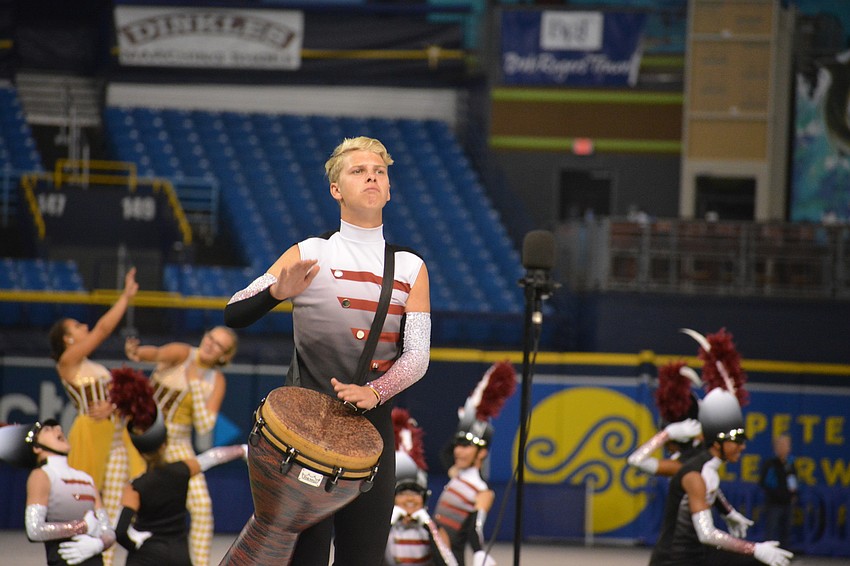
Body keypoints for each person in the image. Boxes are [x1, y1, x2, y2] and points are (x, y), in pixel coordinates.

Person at [224, 136, 431, 565]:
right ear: (336, 189)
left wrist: (377, 391)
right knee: (306, 558)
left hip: (371, 435)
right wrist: (277, 292)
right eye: (357, 170)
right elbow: (235, 312)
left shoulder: (411, 267)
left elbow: (417, 356)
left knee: (364, 557)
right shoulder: (311, 253)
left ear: (389, 190)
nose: (371, 176)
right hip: (301, 435)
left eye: (379, 171)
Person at [47, 267, 144, 566]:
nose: (85, 326)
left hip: (116, 437)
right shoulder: (67, 363)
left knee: (114, 506)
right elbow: (103, 329)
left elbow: (115, 401)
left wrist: (114, 406)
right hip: (90, 435)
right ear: (67, 339)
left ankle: (108, 559)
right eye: (76, 326)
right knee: (87, 503)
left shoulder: (89, 364)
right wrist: (125, 297)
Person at [107, 367, 248, 566]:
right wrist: (241, 450)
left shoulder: (134, 487)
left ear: (139, 451)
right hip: (179, 555)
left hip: (147, 556)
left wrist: (135, 545)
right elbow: (212, 457)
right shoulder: (182, 470)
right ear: (165, 444)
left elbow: (120, 531)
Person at [648, 387, 794, 566]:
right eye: (736, 441)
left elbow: (712, 491)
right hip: (676, 560)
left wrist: (729, 513)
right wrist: (754, 548)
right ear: (717, 444)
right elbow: (707, 533)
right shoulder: (694, 474)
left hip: (697, 553)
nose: (742, 447)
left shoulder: (706, 470)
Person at [433, 361, 516, 566]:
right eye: (457, 445)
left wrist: (479, 552)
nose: (458, 451)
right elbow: (445, 453)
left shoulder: (481, 491)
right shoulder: (456, 475)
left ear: (482, 453)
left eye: (466, 446)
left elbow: (474, 527)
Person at [0, 419, 115, 566]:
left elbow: (107, 529)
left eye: (57, 427)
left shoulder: (86, 478)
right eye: (48, 429)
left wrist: (100, 543)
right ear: (36, 448)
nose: (59, 429)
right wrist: (81, 527)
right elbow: (34, 529)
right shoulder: (42, 475)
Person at [384, 408, 456, 566]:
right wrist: (387, 523)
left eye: (415, 493)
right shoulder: (383, 529)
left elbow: (448, 563)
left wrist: (429, 527)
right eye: (403, 493)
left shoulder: (432, 529)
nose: (410, 498)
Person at [759, 434, 798, 549]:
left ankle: (784, 553)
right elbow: (764, 482)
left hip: (787, 503)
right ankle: (768, 554)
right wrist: (775, 494)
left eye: (786, 445)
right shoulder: (770, 464)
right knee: (771, 530)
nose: (784, 448)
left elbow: (793, 480)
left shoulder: (790, 463)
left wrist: (793, 494)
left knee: (786, 530)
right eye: (781, 445)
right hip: (774, 503)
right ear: (776, 448)